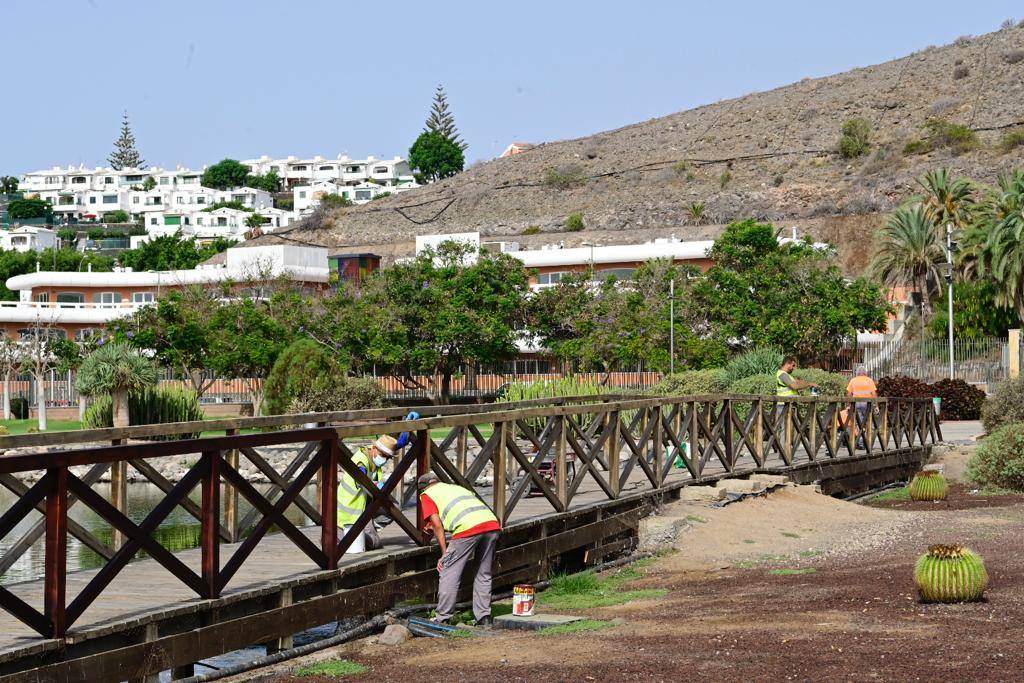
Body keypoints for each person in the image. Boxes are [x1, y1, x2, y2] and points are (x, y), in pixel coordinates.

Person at [417, 473, 501, 627]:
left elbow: (436, 524)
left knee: (448, 570)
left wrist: (444, 554)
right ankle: (484, 618)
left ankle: (443, 618)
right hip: (491, 524)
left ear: (423, 488)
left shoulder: (426, 494)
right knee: (483, 573)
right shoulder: (455, 488)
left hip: (468, 529)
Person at [338, 434, 398, 553]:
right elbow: (361, 478)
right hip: (348, 513)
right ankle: (342, 538)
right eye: (383, 456)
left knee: (394, 507)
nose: (384, 460)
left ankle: (367, 530)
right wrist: (375, 484)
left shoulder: (373, 460)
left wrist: (401, 440)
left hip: (364, 509)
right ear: (374, 448)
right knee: (374, 543)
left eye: (387, 457)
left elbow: (392, 443)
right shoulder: (361, 460)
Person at [846, 366, 878, 449]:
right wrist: (876, 405)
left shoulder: (853, 380)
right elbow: (874, 394)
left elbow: (849, 394)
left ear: (857, 373)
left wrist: (850, 404)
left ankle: (860, 443)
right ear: (865, 373)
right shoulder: (869, 380)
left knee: (859, 424)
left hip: (857, 404)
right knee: (869, 423)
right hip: (867, 404)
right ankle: (867, 442)